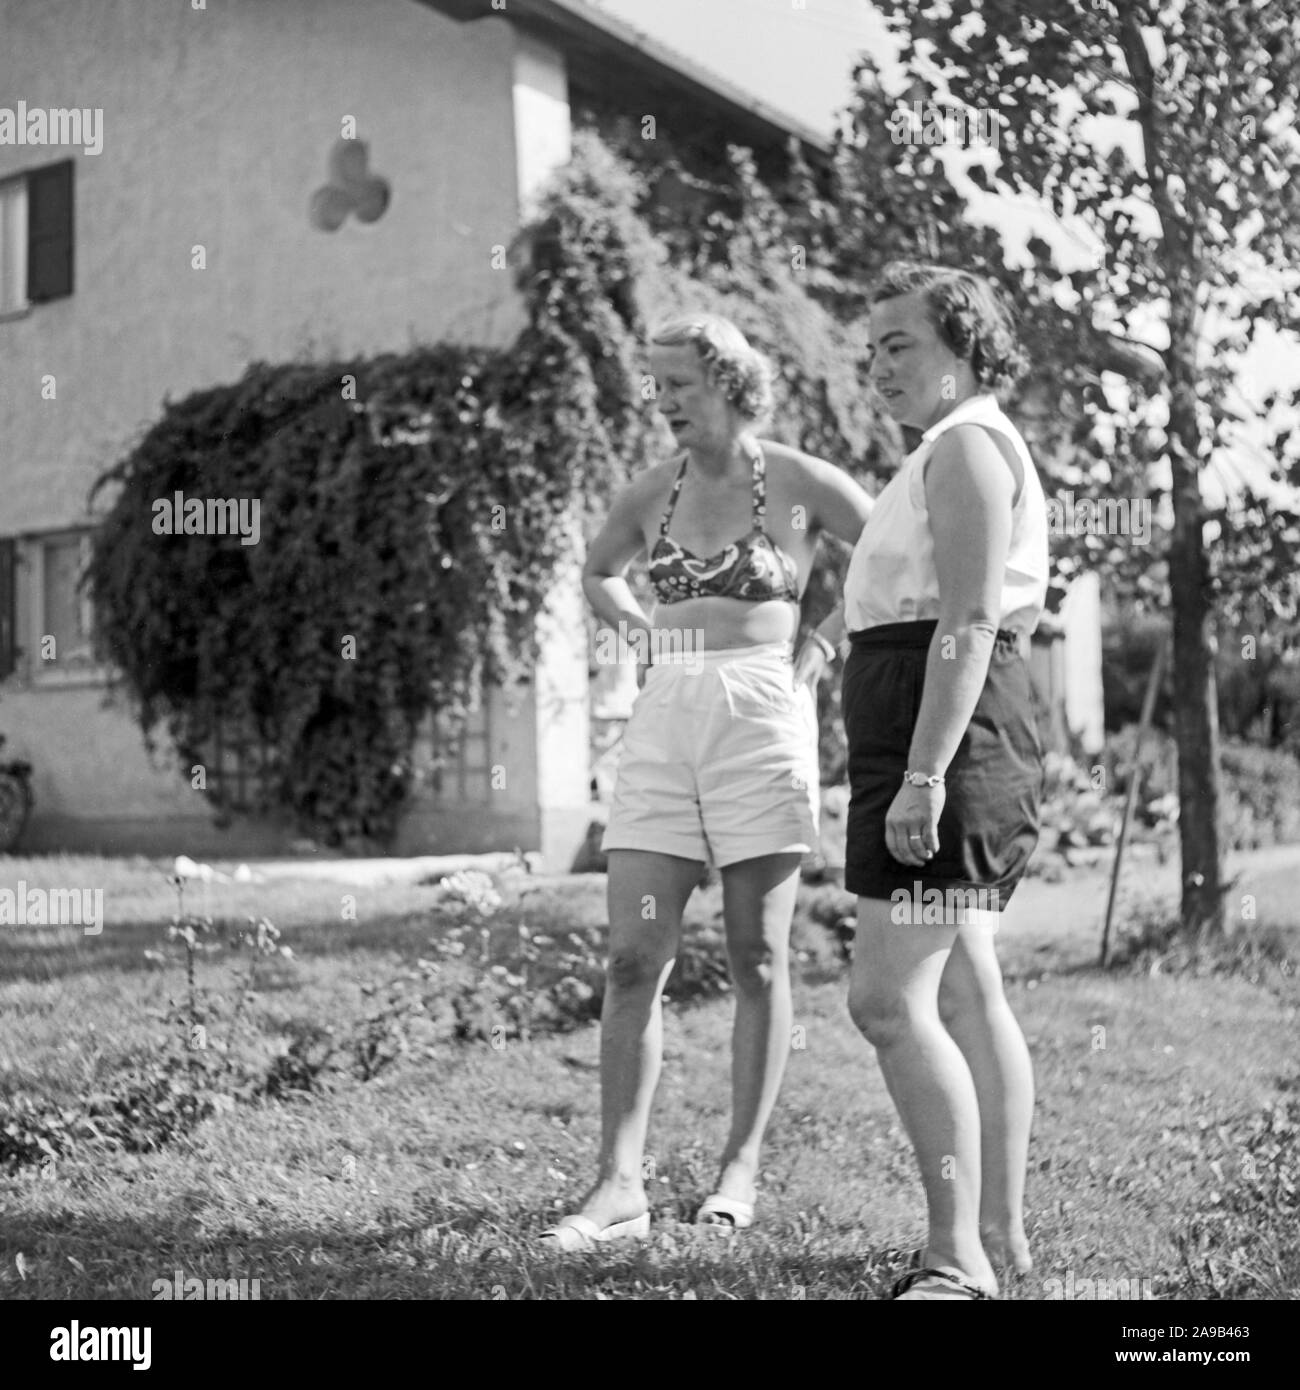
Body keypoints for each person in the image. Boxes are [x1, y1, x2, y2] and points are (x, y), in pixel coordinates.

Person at [540, 314, 873, 1249]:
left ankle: (741, 1165)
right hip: (665, 722)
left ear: (729, 381)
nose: (663, 401)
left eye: (678, 383)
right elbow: (599, 572)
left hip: (763, 716)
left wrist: (820, 645)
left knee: (756, 955)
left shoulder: (800, 481)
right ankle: (618, 1187)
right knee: (632, 956)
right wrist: (642, 636)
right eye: (656, 386)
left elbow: (893, 551)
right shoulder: (653, 490)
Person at [840, 263, 1047, 1299]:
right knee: (965, 985)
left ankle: (957, 1257)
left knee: (884, 997)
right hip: (929, 725)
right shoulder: (947, 447)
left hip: (945, 738)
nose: (878, 364)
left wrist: (921, 774)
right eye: (872, 347)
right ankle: (999, 1236)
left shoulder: (966, 445)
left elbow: (964, 620)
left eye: (900, 343)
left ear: (963, 347)